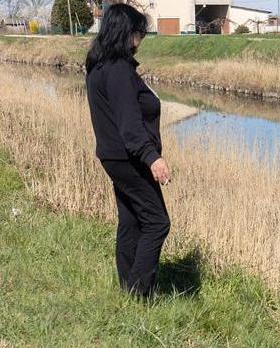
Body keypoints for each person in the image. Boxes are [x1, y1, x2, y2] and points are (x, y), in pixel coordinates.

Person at [85, 4, 172, 298]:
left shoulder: (99, 65)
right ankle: (139, 292)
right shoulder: (119, 70)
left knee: (131, 220)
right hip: (129, 157)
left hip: (114, 157)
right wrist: (153, 158)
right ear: (126, 32)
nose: (142, 39)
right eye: (139, 33)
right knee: (157, 223)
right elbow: (129, 125)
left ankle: (127, 287)